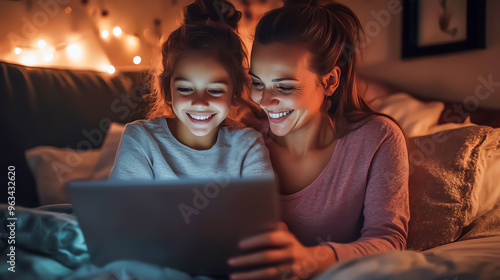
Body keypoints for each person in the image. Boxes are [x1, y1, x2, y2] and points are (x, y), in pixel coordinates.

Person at [227, 0, 410, 279]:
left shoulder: (378, 140)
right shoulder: (244, 139)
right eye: (258, 83)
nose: (264, 100)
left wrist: (310, 259)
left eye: (285, 86)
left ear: (330, 81)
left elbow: (389, 241)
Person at [109, 0, 273, 180]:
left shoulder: (248, 146)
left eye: (215, 90)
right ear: (167, 90)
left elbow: (258, 207)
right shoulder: (141, 140)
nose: (200, 102)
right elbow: (124, 206)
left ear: (235, 92)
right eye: (186, 89)